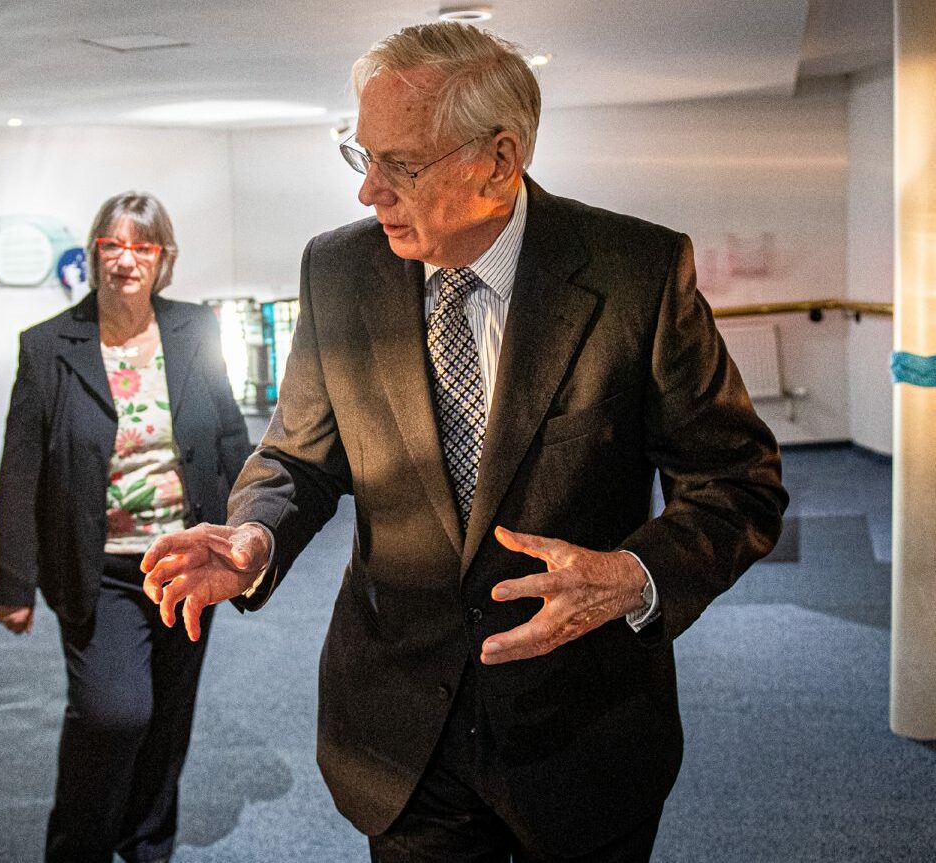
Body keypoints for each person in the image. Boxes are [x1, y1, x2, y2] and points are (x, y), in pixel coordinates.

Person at [141, 22, 788, 863]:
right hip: (401, 733)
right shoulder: (338, 271)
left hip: (579, 725)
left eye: (400, 165)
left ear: (497, 161)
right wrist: (252, 533)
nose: (369, 192)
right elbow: (300, 456)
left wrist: (633, 577)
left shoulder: (636, 274)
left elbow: (739, 482)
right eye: (360, 155)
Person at [0, 191, 251, 863]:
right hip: (97, 565)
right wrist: (13, 580)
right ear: (93, 252)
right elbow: (21, 468)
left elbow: (226, 437)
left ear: (162, 259)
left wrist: (248, 538)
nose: (126, 260)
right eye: (113, 244)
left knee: (166, 720)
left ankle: (146, 847)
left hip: (188, 561)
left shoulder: (195, 329)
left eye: (143, 246)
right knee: (114, 714)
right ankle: (76, 847)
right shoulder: (48, 344)